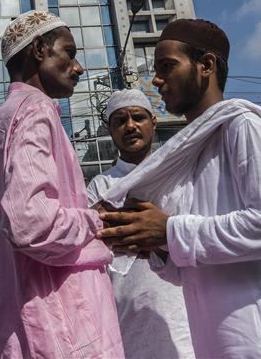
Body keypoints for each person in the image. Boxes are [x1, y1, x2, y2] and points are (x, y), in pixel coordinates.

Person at [96, 19, 261, 358]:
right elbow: (201, 264)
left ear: (206, 65)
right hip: (218, 341)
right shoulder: (191, 152)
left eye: (167, 67)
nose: (157, 81)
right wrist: (160, 245)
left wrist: (170, 229)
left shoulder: (242, 126)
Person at [0, 10, 124, 358]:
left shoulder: (7, 116)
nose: (78, 66)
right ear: (39, 49)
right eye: (69, 52)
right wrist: (96, 220)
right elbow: (30, 223)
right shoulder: (35, 111)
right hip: (55, 325)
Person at [86, 89, 195, 359]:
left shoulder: (179, 175)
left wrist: (156, 230)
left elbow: (192, 233)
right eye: (120, 121)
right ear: (110, 131)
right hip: (124, 316)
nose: (130, 126)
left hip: (182, 311)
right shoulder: (100, 186)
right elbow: (95, 241)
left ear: (153, 122)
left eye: (138, 117)